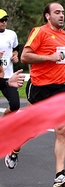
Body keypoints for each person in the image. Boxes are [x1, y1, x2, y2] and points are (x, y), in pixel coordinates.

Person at [20, 2, 65, 187]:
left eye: (63, 12)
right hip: (39, 87)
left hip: (59, 86)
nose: (61, 15)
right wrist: (49, 58)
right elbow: (25, 57)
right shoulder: (40, 32)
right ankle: (14, 148)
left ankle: (59, 175)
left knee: (62, 129)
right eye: (57, 12)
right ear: (47, 16)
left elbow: (59, 58)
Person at [0, 9, 21, 169]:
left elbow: (16, 49)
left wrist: (15, 56)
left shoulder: (11, 34)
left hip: (9, 78)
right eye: (1, 20)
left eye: (5, 20)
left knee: (15, 105)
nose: (3, 22)